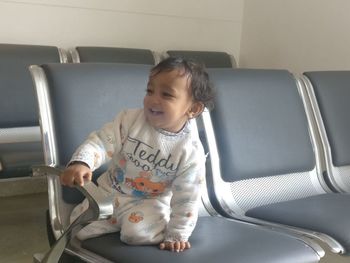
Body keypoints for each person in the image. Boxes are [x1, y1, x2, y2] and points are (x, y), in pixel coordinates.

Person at [60, 57, 214, 253]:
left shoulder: (190, 150)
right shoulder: (129, 120)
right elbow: (101, 141)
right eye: (150, 91)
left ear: (193, 109)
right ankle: (114, 222)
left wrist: (177, 234)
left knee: (136, 234)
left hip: (149, 202)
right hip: (109, 191)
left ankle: (155, 220)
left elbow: (188, 196)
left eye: (166, 95)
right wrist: (82, 162)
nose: (153, 99)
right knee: (78, 228)